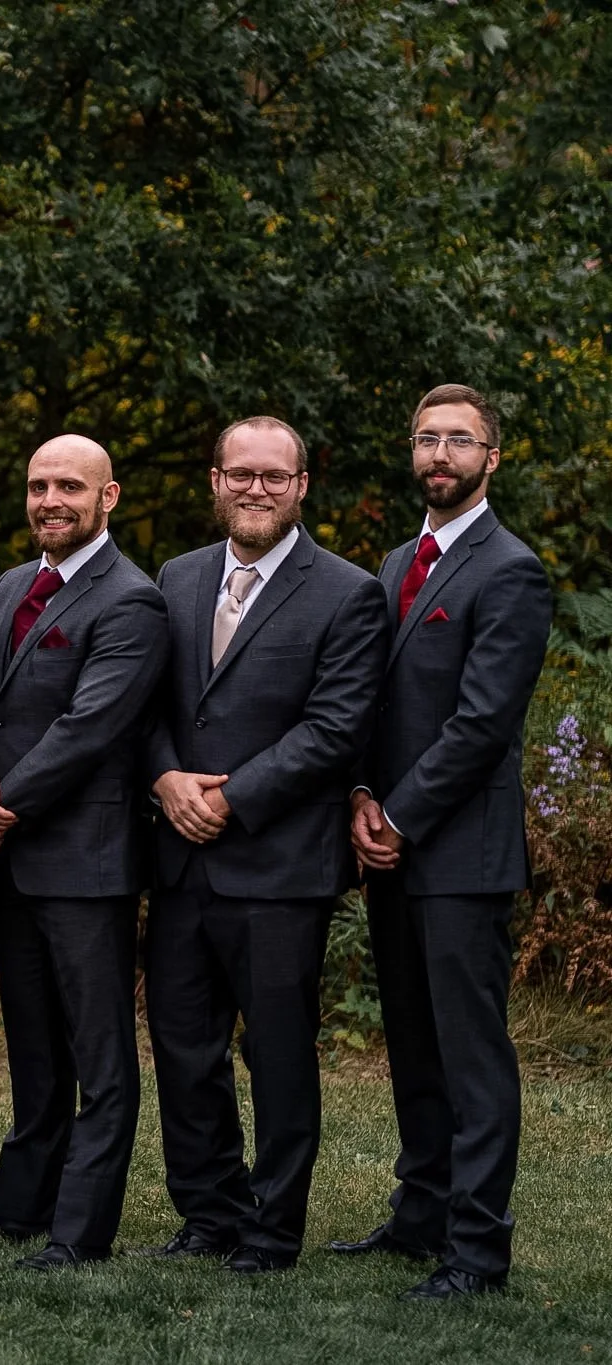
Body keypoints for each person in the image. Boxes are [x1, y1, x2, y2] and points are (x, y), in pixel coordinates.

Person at [141, 417, 390, 1274]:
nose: (255, 488)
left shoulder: (348, 591)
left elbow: (334, 729)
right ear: (215, 480)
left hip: (280, 865)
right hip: (178, 856)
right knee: (182, 1045)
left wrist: (233, 799)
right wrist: (168, 779)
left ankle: (273, 1228)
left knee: (277, 1053)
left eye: (272, 477)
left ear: (302, 485)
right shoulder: (175, 577)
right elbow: (145, 704)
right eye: (239, 474)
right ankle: (210, 1210)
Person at [335, 384, 553, 1301]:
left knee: (469, 1053)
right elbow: (376, 707)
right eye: (427, 438)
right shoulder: (396, 562)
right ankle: (420, 1213)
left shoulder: (511, 569)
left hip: (458, 850)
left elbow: (480, 724)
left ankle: (477, 1248)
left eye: (459, 441)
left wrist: (400, 814)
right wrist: (357, 795)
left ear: (491, 459)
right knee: (414, 1044)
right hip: (387, 841)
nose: (440, 454)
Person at [0, 435, 168, 1269]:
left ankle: (81, 1229)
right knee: (32, 1041)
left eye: (69, 487)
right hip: (10, 852)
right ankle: (20, 1206)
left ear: (107, 497)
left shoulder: (131, 601)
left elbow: (92, 727)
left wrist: (3, 799)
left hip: (86, 857)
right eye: (40, 484)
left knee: (99, 1052)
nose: (50, 499)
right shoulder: (13, 583)